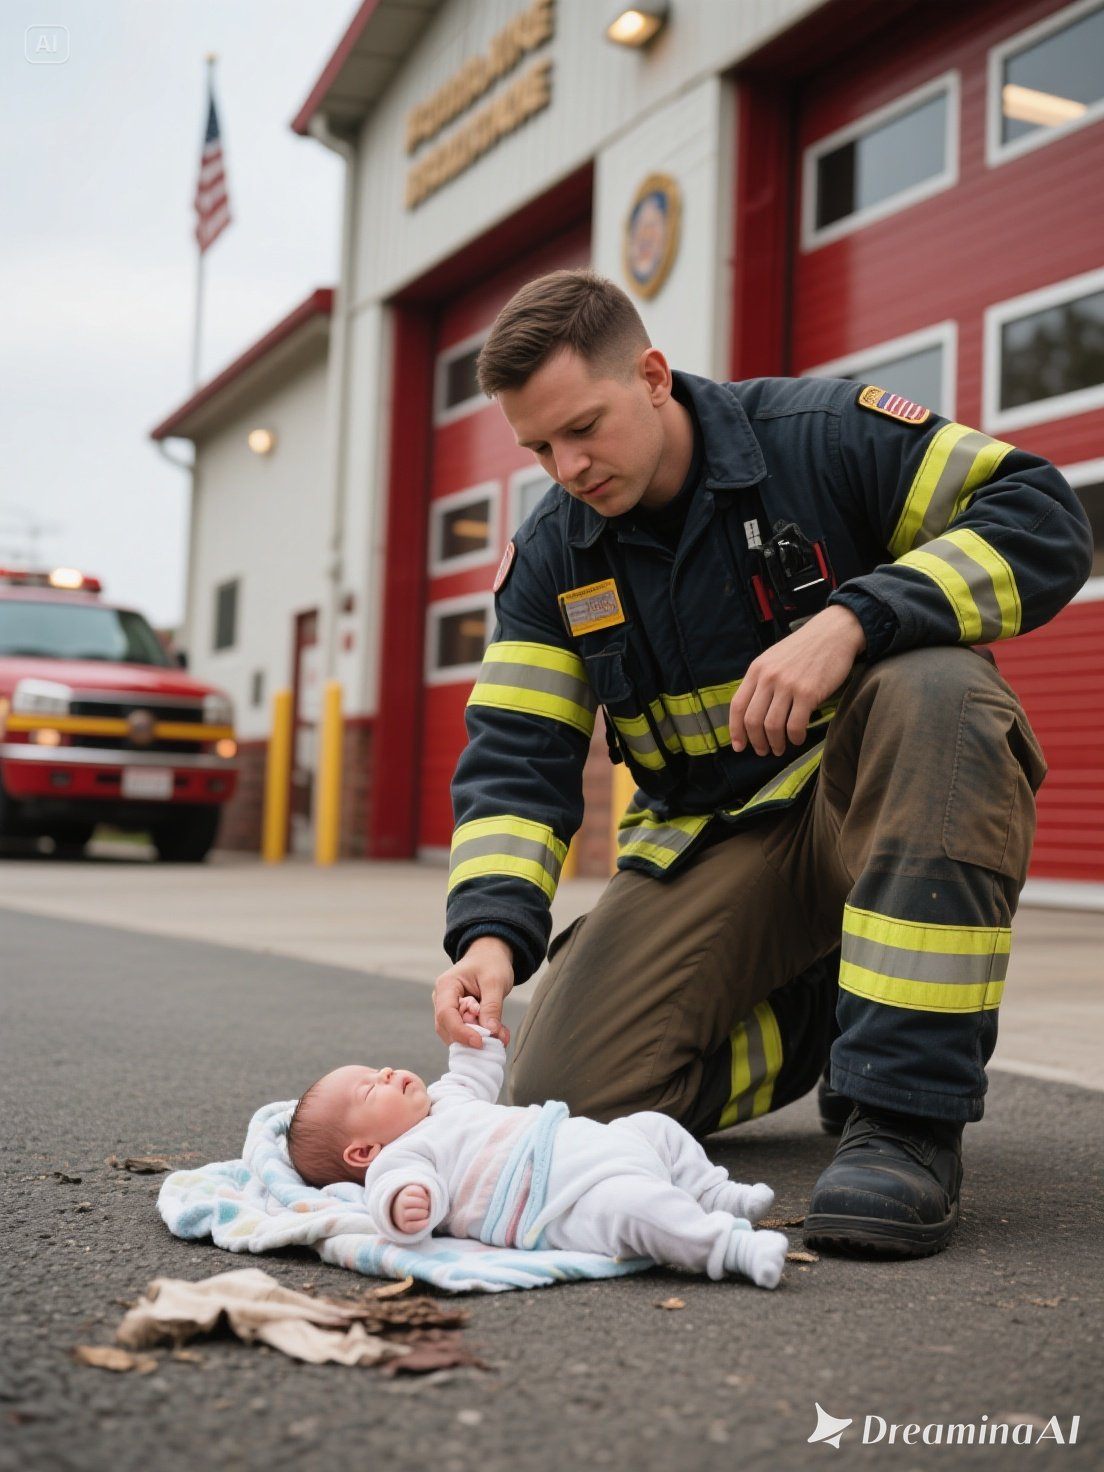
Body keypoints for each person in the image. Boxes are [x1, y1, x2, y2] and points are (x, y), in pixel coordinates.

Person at [430, 268, 1093, 1260]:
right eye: (538, 449)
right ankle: (827, 1019)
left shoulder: (824, 439)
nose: (567, 468)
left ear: (653, 375)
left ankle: (902, 1119)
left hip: (877, 804)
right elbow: (519, 759)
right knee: (566, 1098)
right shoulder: (555, 561)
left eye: (584, 428)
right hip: (717, 843)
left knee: (942, 688)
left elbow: (1041, 515)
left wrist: (856, 617)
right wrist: (489, 936)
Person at [286, 998, 789, 1288]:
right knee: (639, 1211)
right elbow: (396, 1190)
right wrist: (404, 1204)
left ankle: (713, 1193)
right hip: (557, 1201)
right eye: (369, 1088)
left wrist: (473, 1031)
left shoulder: (445, 1098)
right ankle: (729, 1248)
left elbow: (475, 1069)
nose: (385, 1072)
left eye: (377, 1069)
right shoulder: (399, 1158)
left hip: (592, 1143)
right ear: (363, 1153)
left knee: (655, 1127)